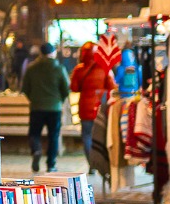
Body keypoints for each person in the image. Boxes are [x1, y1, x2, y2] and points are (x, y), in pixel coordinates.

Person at [68, 41, 117, 181]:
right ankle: (100, 162)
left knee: (87, 136)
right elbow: (111, 86)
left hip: (85, 108)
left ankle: (92, 164)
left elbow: (74, 88)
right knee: (101, 135)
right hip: (100, 108)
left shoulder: (79, 69)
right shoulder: (105, 68)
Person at [21, 42, 71, 173]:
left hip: (36, 107)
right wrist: (59, 100)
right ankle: (51, 164)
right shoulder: (59, 68)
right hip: (54, 108)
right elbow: (66, 89)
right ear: (53, 53)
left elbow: (25, 88)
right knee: (53, 136)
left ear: (41, 54)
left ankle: (36, 150)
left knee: (34, 133)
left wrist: (34, 99)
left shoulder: (32, 68)